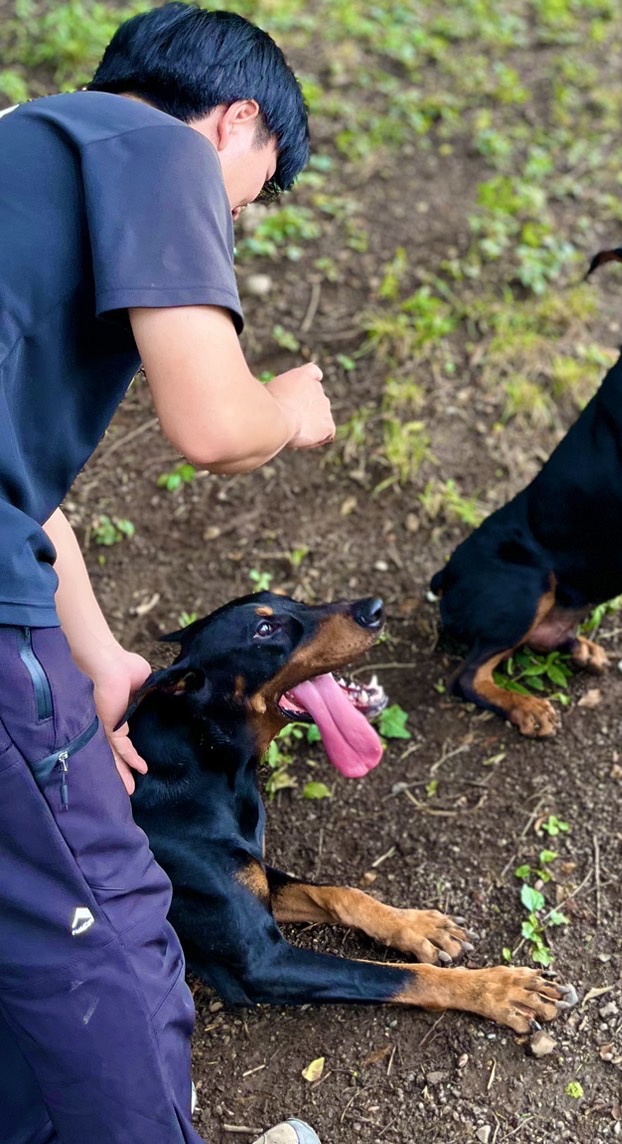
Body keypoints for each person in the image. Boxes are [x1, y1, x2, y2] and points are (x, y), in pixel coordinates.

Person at [0, 5, 335, 1141]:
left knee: (18, 900)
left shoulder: (21, 155)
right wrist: (285, 411)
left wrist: (96, 654)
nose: (231, 223)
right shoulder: (153, 148)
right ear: (234, 120)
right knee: (105, 908)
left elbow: (24, 493)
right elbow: (213, 423)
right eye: (248, 195)